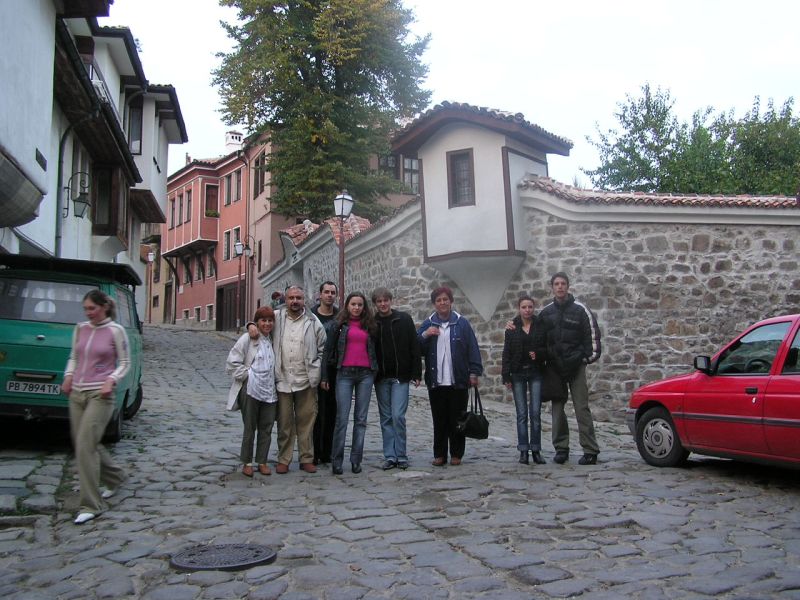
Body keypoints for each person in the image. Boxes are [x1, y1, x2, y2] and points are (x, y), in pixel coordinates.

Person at [61, 290, 129, 524]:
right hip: (77, 394)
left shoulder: (115, 331)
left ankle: (91, 504)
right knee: (84, 442)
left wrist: (112, 379)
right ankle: (115, 476)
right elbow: (74, 357)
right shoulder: (80, 329)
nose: (88, 313)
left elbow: (125, 363)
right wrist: (68, 376)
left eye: (92, 308)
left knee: (85, 445)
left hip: (101, 394)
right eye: (86, 309)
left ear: (104, 307)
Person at [539, 272, 602, 465]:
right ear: (552, 287)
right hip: (555, 368)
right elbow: (537, 336)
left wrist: (586, 358)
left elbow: (592, 336)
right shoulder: (546, 313)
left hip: (576, 366)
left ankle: (590, 449)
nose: (560, 287)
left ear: (568, 286)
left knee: (581, 408)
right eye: (556, 284)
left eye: (563, 283)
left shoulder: (581, 310)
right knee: (557, 409)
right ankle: (561, 448)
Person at [418, 286, 483, 467]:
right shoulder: (429, 323)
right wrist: (426, 334)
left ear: (451, 301)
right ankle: (439, 454)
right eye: (438, 300)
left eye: (445, 299)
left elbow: (472, 348)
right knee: (439, 420)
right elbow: (416, 346)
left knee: (457, 419)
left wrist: (474, 372)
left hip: (458, 380)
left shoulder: (462, 323)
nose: (442, 303)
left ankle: (456, 453)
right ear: (434, 304)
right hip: (436, 380)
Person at [268, 285, 326, 473]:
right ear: (285, 300)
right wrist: (250, 326)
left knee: (306, 422)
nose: (295, 301)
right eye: (291, 298)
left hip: (306, 380)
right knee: (284, 423)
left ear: (304, 300)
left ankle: (306, 458)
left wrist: (317, 366)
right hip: (283, 380)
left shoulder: (313, 321)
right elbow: (259, 324)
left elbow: (323, 347)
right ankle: (283, 459)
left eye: (298, 298)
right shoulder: (276, 317)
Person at [321, 292, 378, 475]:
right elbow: (328, 350)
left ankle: (356, 460)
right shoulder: (338, 325)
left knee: (360, 420)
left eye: (360, 304)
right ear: (347, 305)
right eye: (353, 304)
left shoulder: (370, 326)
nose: (356, 307)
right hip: (344, 374)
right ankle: (337, 460)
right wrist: (324, 376)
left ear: (364, 307)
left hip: (365, 374)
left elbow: (375, 349)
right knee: (342, 419)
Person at [372, 287, 421, 471]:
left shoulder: (404, 319)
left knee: (398, 416)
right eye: (379, 301)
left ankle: (401, 455)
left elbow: (414, 346)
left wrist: (416, 373)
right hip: (381, 378)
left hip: (400, 376)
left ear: (391, 301)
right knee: (385, 418)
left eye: (385, 300)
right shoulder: (372, 323)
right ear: (375, 304)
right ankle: (390, 456)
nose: (383, 304)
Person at [227, 306, 277, 478]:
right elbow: (232, 362)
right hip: (251, 389)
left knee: (267, 427)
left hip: (269, 390)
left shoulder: (273, 338)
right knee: (250, 427)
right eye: (263, 320)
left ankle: (262, 461)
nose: (267, 324)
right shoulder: (247, 338)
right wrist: (248, 375)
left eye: (270, 321)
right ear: (257, 322)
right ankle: (247, 462)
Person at [502, 294, 547, 465]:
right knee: (521, 414)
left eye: (530, 307)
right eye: (524, 307)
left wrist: (539, 354)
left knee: (535, 413)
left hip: (536, 372)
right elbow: (507, 353)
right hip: (518, 373)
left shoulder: (540, 325)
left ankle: (535, 449)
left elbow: (547, 347)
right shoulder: (512, 328)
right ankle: (523, 450)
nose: (527, 310)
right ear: (519, 309)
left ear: (533, 308)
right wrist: (506, 375)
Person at [311, 281, 339, 465]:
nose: (329, 295)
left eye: (332, 292)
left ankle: (327, 452)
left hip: (334, 369)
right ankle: (314, 452)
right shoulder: (310, 316)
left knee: (331, 412)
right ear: (320, 294)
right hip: (313, 367)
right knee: (314, 413)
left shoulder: (340, 316)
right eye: (326, 292)